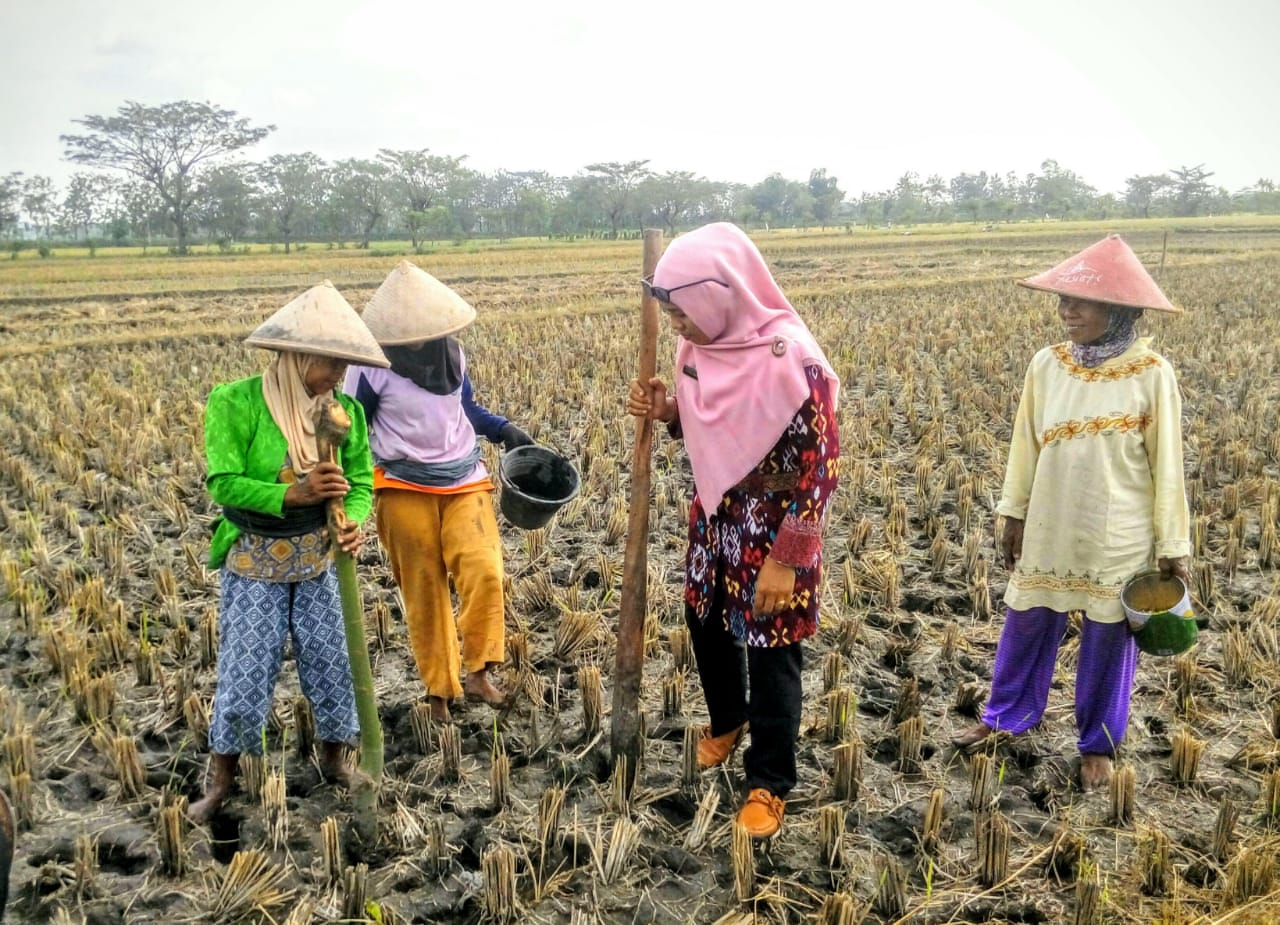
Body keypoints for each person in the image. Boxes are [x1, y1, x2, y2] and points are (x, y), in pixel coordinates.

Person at [953, 234, 1191, 790]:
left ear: (1121, 311)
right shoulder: (1048, 366)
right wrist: (1011, 512)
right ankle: (1006, 718)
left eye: (1082, 301)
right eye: (1063, 300)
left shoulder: (1152, 373)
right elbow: (1024, 444)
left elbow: (1168, 467)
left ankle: (1098, 746)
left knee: (1109, 639)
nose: (1067, 310)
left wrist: (1172, 545)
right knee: (1029, 619)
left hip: (1118, 534)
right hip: (1051, 522)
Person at [627, 223, 840, 839]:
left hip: (776, 528)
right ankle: (728, 719)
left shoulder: (792, 360)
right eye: (668, 313)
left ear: (718, 296)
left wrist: (786, 559)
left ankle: (770, 780)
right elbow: (706, 425)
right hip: (715, 516)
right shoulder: (698, 350)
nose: (676, 326)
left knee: (774, 651)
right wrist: (668, 411)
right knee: (707, 621)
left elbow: (820, 470)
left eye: (681, 311)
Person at [189, 281, 388, 823]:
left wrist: (353, 522)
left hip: (321, 558)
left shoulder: (344, 412)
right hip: (256, 556)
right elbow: (223, 482)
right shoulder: (236, 402)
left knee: (331, 661)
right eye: (330, 363)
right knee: (246, 667)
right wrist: (291, 494)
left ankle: (334, 758)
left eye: (345, 367)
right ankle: (223, 777)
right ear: (297, 356)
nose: (339, 377)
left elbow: (362, 482)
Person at [345, 261, 533, 724]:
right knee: (424, 586)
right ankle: (438, 692)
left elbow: (464, 409)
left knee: (485, 570)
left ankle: (479, 671)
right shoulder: (370, 368)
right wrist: (349, 494)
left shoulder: (452, 356)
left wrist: (504, 429)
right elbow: (352, 428)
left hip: (463, 477)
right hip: (401, 484)